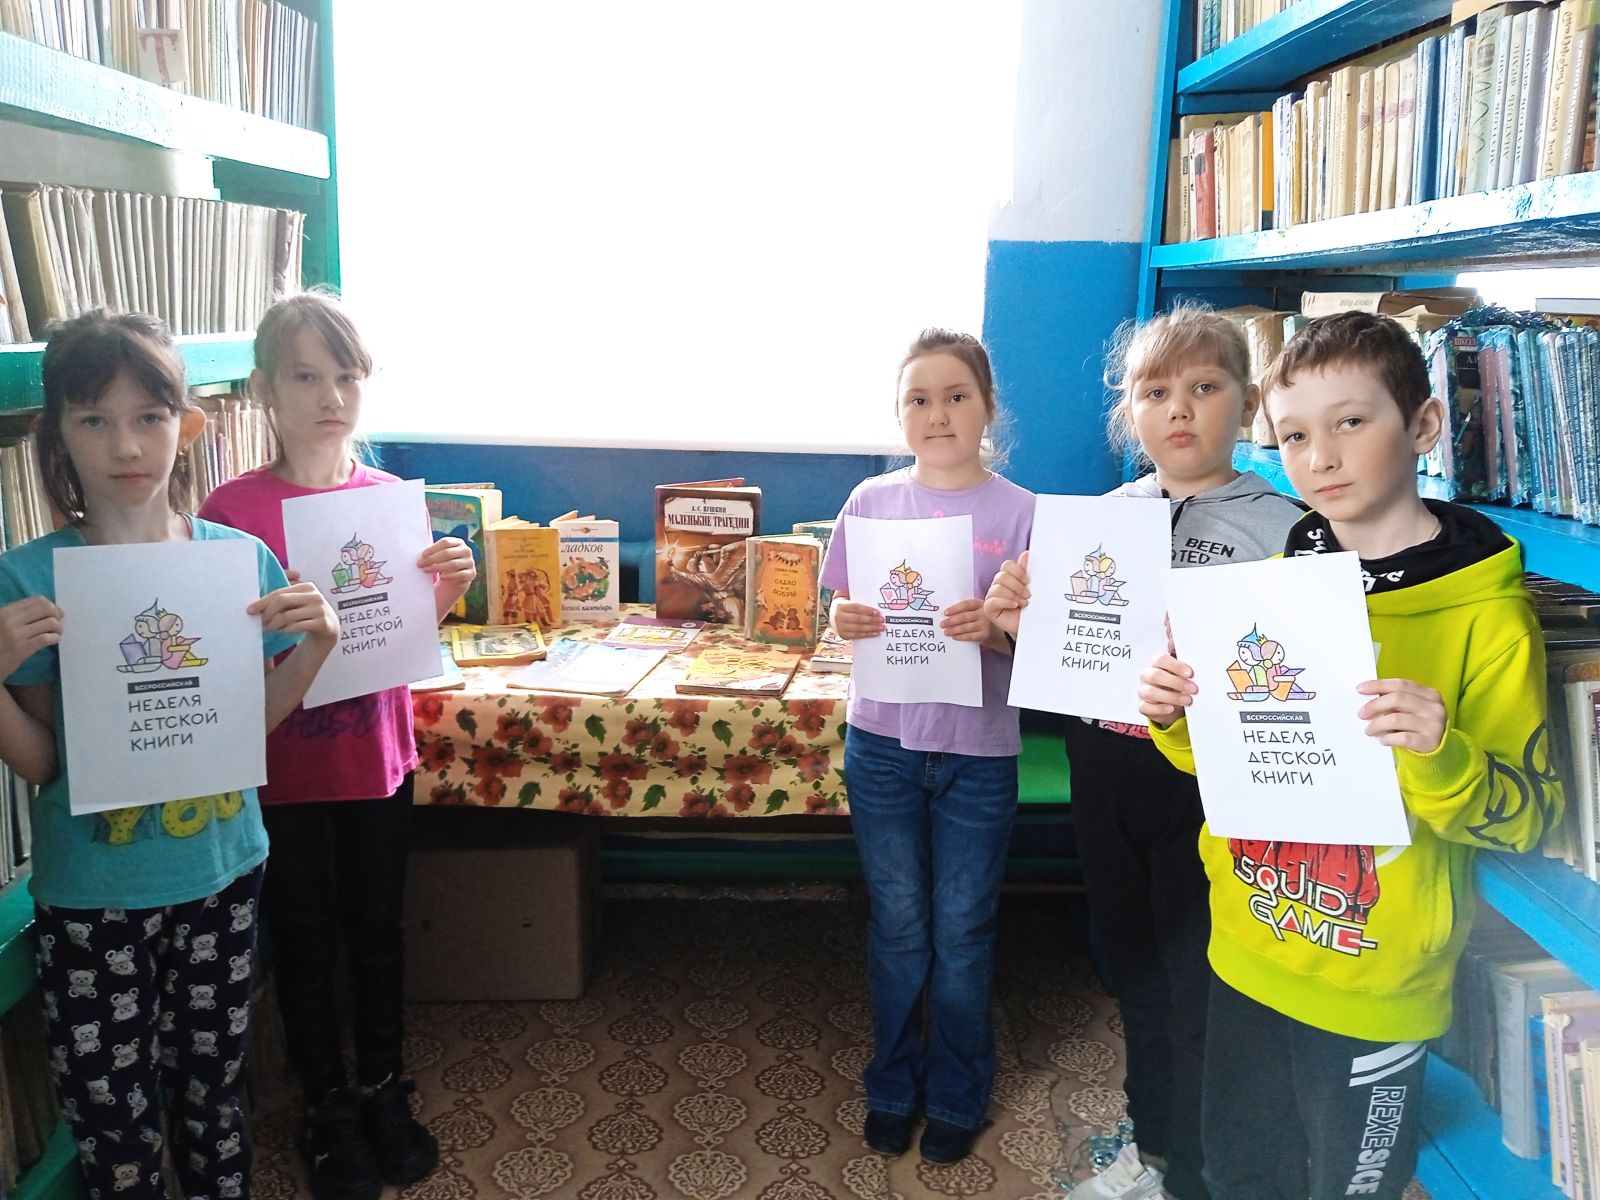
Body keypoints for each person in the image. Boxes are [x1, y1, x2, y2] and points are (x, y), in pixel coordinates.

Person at [1138, 311, 1563, 1199]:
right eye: (1294, 435)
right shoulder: (1277, 576)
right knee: (1239, 1171)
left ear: (1424, 424)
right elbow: (1233, 764)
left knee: (1348, 1187)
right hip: (1247, 943)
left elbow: (1526, 820)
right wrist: (1177, 718)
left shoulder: (1488, 616)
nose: (1320, 457)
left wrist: (1439, 751)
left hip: (1373, 976)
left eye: (1351, 422)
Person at [0, 310, 338, 1200]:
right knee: (112, 1117)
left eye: (149, 417)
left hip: (220, 872)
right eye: (94, 419)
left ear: (186, 426)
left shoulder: (238, 562)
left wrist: (316, 648)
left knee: (214, 1098)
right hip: (93, 895)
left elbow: (241, 731)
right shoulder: (29, 578)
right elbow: (41, 762)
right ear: (58, 435)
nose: (126, 446)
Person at [984, 304, 1304, 1200]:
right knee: (1137, 973)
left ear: (1248, 405)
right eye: (1155, 392)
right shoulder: (1097, 522)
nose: (1180, 409)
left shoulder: (1288, 529)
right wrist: (1015, 625)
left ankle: (1201, 1171)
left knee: (1203, 986)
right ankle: (1155, 1146)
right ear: (1130, 413)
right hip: (1107, 776)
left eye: (1205, 386)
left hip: (1210, 790)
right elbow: (1059, 668)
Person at [198, 292, 474, 1200]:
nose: (330, 396)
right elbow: (215, 654)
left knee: (379, 927)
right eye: (306, 376)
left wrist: (446, 589)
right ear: (265, 391)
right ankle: (326, 1105)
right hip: (278, 767)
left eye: (346, 376)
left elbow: (400, 636)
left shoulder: (390, 502)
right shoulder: (231, 509)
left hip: (373, 759)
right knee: (304, 934)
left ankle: (385, 1086)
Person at [821, 329, 1033, 1166]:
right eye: (919, 399)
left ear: (988, 407)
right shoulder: (871, 501)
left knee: (964, 931)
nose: (938, 414)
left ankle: (955, 1092)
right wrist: (841, 619)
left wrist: (998, 633)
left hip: (979, 753)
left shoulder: (1023, 513)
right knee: (900, 924)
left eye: (955, 396)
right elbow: (841, 612)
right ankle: (891, 1083)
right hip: (882, 745)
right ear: (899, 413)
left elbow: (1047, 650)